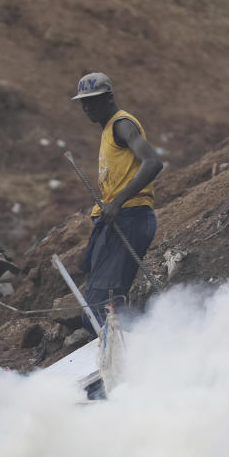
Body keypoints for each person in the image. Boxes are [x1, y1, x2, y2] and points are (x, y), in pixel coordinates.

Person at [72, 72, 162, 334]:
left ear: (109, 98)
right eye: (84, 103)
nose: (88, 107)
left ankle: (138, 348)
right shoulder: (109, 130)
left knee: (102, 306)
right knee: (101, 304)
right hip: (115, 220)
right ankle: (131, 346)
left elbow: (153, 162)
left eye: (94, 101)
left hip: (130, 218)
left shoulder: (122, 125)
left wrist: (118, 202)